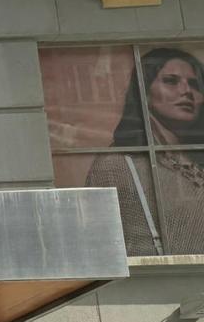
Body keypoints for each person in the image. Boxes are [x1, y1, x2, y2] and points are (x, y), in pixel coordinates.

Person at [85, 47, 204, 256]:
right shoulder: (118, 165)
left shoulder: (196, 160)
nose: (186, 91)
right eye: (171, 81)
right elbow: (97, 243)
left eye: (194, 84)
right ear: (145, 92)